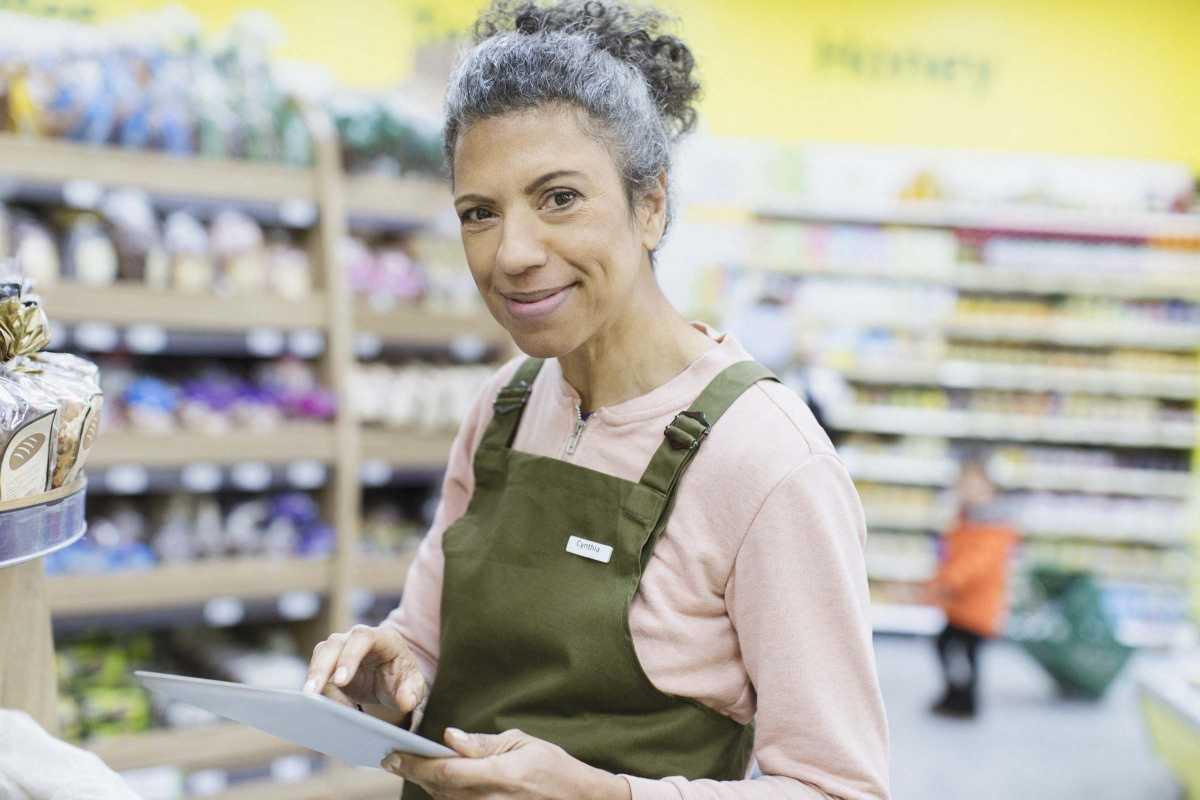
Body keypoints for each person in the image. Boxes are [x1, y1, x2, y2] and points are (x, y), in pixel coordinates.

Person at [305, 2, 890, 797]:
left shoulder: (767, 462)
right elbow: (428, 639)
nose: (512, 254)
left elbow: (838, 788)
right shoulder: (503, 409)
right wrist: (393, 666)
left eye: (559, 198)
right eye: (479, 213)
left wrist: (599, 793)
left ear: (650, 204)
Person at [925, 453, 1019, 719]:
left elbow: (976, 563)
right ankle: (957, 694)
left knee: (962, 652)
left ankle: (965, 700)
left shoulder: (993, 525)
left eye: (974, 485)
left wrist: (949, 580)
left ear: (990, 487)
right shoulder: (965, 519)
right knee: (950, 647)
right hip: (960, 603)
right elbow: (952, 555)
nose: (967, 491)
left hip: (978, 604)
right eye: (963, 485)